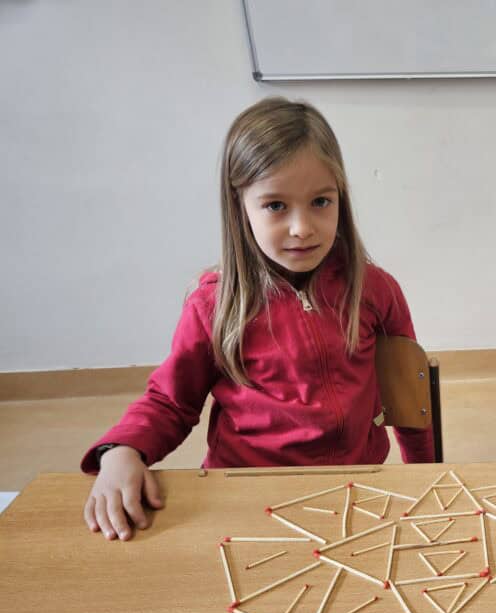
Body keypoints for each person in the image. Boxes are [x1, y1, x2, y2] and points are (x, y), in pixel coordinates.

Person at [82, 97, 433, 541]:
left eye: (320, 201)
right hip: (247, 496)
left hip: (354, 488)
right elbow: (170, 402)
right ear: (240, 206)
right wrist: (122, 450)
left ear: (340, 198)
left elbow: (409, 395)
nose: (302, 227)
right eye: (275, 206)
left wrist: (426, 477)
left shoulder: (376, 289)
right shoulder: (213, 305)